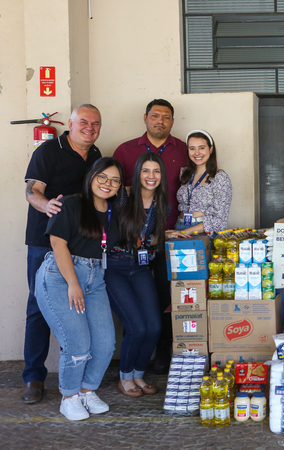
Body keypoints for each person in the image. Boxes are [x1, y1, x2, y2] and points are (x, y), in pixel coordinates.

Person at [22, 104, 103, 404]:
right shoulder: (48, 151)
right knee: (38, 307)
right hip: (43, 241)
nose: (89, 128)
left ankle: (78, 376)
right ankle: (33, 377)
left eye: (95, 124)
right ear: (70, 123)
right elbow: (32, 190)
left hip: (79, 245)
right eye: (83, 122)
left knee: (78, 307)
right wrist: (48, 206)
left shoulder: (95, 156)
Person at [34, 157, 123, 421]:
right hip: (61, 276)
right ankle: (70, 397)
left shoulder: (112, 211)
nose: (108, 183)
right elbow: (58, 244)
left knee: (106, 344)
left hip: (95, 278)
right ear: (91, 176)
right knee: (77, 343)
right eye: (103, 177)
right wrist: (73, 283)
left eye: (115, 180)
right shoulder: (71, 203)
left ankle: (87, 391)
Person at [113, 99, 189, 374]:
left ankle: (164, 351)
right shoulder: (125, 150)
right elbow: (111, 189)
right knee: (136, 302)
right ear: (145, 118)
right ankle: (135, 358)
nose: (160, 121)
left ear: (172, 121)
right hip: (128, 246)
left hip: (169, 238)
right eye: (155, 116)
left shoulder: (183, 150)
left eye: (166, 117)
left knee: (167, 296)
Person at [105, 152, 177, 398]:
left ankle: (137, 374)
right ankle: (125, 377)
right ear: (137, 173)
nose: (151, 176)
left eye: (156, 171)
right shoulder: (122, 196)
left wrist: (166, 235)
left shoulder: (162, 205)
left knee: (155, 326)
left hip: (141, 267)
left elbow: (149, 238)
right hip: (115, 267)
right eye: (145, 170)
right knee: (136, 326)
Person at [175, 130, 233, 234]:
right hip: (180, 226)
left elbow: (219, 220)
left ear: (210, 149)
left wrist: (185, 232)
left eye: (202, 148)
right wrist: (180, 232)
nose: (197, 153)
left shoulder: (220, 178)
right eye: (192, 148)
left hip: (202, 231)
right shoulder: (184, 174)